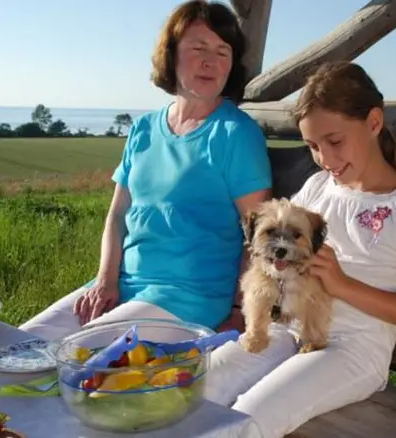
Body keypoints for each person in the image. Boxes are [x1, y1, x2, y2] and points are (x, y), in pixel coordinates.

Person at [202, 60, 396, 438]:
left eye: (334, 141)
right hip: (288, 328)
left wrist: (343, 284)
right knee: (197, 385)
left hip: (353, 350)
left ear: (373, 122)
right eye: (313, 146)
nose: (325, 158)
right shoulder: (319, 188)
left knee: (247, 418)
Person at [19, 0, 271, 341]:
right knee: (21, 343)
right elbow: (118, 215)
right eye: (198, 48)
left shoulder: (236, 134)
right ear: (171, 55)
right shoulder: (144, 130)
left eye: (222, 51)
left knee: (73, 356)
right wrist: (105, 281)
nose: (210, 61)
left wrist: (241, 312)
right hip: (122, 285)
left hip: (190, 299)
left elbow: (259, 234)